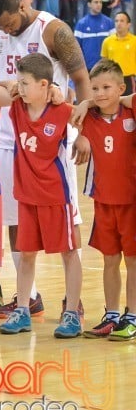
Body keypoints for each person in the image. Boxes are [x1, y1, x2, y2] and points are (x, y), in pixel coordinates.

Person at [0, 0, 91, 317]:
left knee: (65, 221)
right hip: (10, 136)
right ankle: (27, 295)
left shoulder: (53, 31)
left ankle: (73, 301)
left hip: (52, 139)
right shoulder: (1, 32)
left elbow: (83, 79)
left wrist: (83, 131)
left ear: (23, 6)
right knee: (16, 219)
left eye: (8, 23)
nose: (4, 30)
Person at [0, 54, 82, 338]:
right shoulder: (17, 106)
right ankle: (22, 309)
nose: (21, 88)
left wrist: (82, 137)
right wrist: (14, 83)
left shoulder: (61, 111)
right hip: (27, 196)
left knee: (69, 253)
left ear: (45, 85)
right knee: (26, 254)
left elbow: (88, 113)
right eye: (19, 82)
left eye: (26, 83)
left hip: (56, 196)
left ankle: (72, 313)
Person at [73, 60, 136, 340]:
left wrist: (92, 101)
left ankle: (132, 316)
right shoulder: (87, 118)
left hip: (131, 202)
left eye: (106, 88)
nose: (99, 93)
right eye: (94, 88)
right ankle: (111, 314)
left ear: (121, 88)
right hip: (104, 202)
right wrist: (84, 106)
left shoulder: (131, 110)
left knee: (133, 261)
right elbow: (60, 104)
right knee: (110, 260)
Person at [75, 0, 115, 70]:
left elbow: (114, 44)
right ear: (89, 4)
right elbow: (76, 47)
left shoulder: (109, 22)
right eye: (96, 2)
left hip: (106, 67)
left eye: (100, 2)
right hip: (88, 67)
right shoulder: (81, 24)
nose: (99, 5)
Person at [101, 12, 136, 94]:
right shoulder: (107, 41)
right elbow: (104, 62)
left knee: (130, 105)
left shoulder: (134, 41)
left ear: (128, 24)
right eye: (116, 21)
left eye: (122, 21)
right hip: (112, 79)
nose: (118, 23)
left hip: (129, 79)